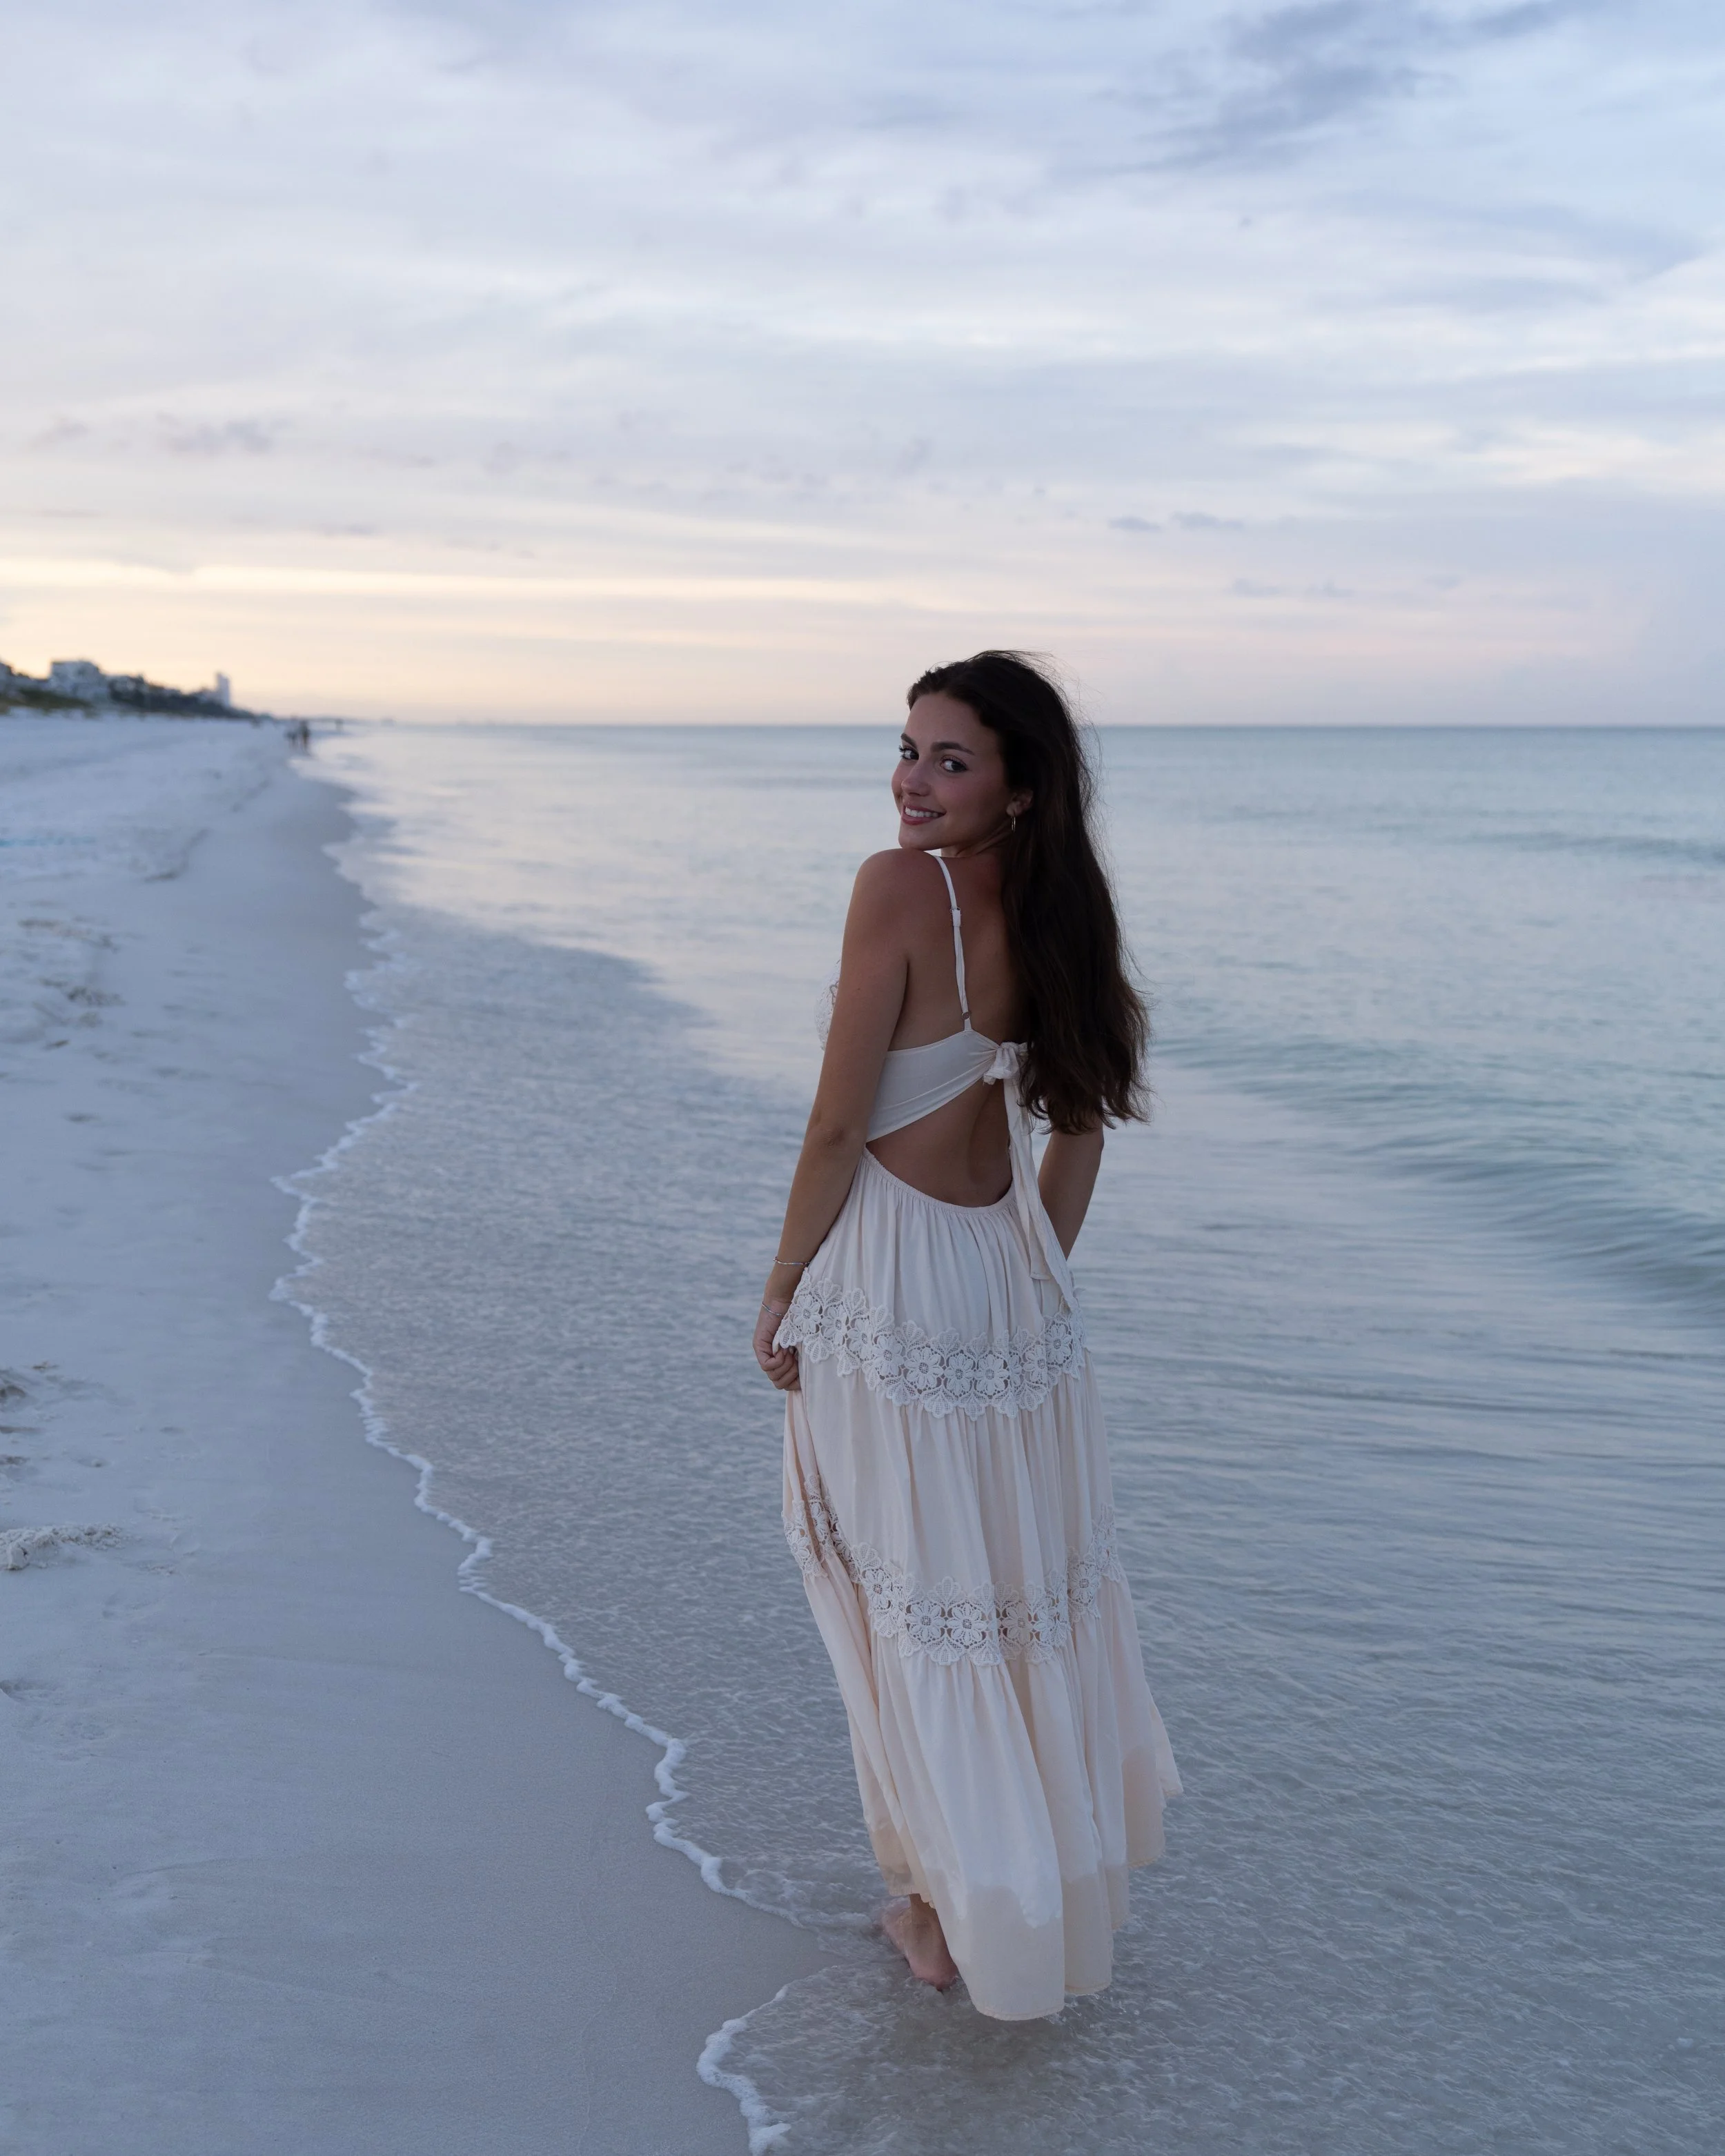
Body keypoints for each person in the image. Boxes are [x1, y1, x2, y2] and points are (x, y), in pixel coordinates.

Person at [753, 651, 1181, 2021]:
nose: (909, 781)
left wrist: (777, 1285)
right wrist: (1032, 1275)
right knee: (1003, 1606)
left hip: (891, 1278)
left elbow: (835, 1124)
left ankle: (943, 1913)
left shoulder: (899, 890)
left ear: (1016, 784)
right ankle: (996, 1891)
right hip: (1008, 1288)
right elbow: (1078, 1121)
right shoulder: (1063, 907)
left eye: (949, 759)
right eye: (905, 748)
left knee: (898, 1598)